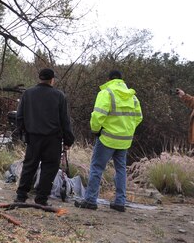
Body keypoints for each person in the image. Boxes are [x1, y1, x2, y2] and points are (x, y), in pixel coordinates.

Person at [75, 70, 143, 212]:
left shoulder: (106, 93)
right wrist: (126, 130)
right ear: (121, 80)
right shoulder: (133, 97)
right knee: (121, 170)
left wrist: (96, 130)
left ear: (109, 79)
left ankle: (90, 200)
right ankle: (120, 202)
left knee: (97, 168)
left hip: (107, 138)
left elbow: (97, 116)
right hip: (124, 140)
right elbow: (138, 118)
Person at [15, 68, 75, 206]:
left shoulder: (27, 94)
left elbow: (19, 117)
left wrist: (23, 134)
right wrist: (68, 140)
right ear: (52, 79)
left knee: (29, 165)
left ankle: (21, 196)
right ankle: (41, 199)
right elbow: (64, 120)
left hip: (33, 137)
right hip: (52, 139)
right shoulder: (59, 96)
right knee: (49, 168)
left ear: (40, 78)